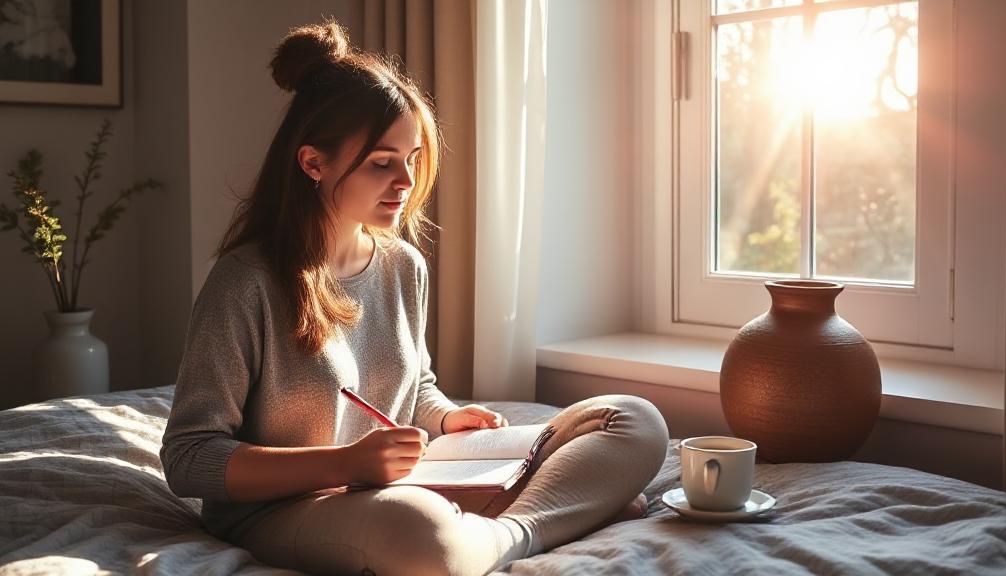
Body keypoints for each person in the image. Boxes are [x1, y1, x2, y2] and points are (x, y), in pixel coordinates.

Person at [160, 18, 668, 576]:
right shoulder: (243, 283)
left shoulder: (403, 265)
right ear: (312, 163)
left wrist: (448, 420)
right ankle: (536, 524)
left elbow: (413, 387)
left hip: (409, 472)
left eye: (412, 158)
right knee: (420, 531)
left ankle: (499, 530)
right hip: (288, 508)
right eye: (381, 162)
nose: (405, 180)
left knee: (632, 420)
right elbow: (189, 458)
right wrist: (343, 463)